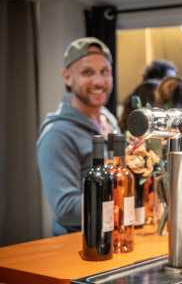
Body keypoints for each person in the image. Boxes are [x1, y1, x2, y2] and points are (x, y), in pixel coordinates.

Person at [36, 37, 120, 236]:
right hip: (78, 247)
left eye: (105, 72)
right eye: (87, 72)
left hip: (113, 237)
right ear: (67, 77)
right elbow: (65, 209)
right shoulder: (57, 134)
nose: (99, 82)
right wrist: (123, 199)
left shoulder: (109, 120)